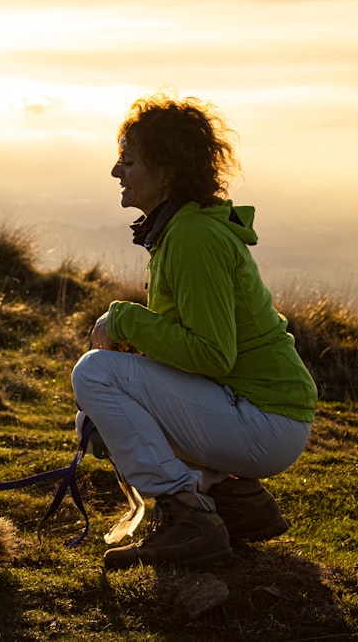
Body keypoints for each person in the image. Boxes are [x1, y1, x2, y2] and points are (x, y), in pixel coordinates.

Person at [71, 93, 317, 570]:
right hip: (259, 414)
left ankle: (191, 517)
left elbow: (211, 355)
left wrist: (126, 320)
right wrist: (140, 342)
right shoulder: (181, 229)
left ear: (165, 171)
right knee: (97, 418)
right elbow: (197, 347)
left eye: (128, 160)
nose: (116, 172)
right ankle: (234, 501)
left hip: (266, 419)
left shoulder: (192, 237)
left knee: (96, 375)